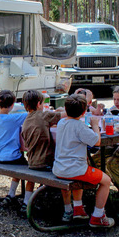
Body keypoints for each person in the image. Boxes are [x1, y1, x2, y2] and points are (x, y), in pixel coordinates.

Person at [21, 90, 87, 222]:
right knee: (69, 165)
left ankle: (26, 202)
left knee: (31, 177)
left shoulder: (26, 120)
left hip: (32, 162)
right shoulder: (44, 115)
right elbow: (67, 114)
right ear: (39, 103)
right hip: (46, 163)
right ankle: (69, 208)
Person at [53, 94, 115, 228]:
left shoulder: (61, 122)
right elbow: (96, 142)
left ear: (65, 108)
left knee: (80, 172)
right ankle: (98, 216)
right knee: (106, 181)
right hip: (74, 169)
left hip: (59, 168)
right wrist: (95, 126)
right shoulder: (79, 126)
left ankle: (77, 208)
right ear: (83, 112)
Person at [0, 90, 32, 212]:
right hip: (13, 156)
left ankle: (11, 194)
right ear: (13, 105)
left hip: (0, 156)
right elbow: (31, 114)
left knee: (19, 169)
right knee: (31, 170)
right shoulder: (16, 118)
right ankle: (27, 202)